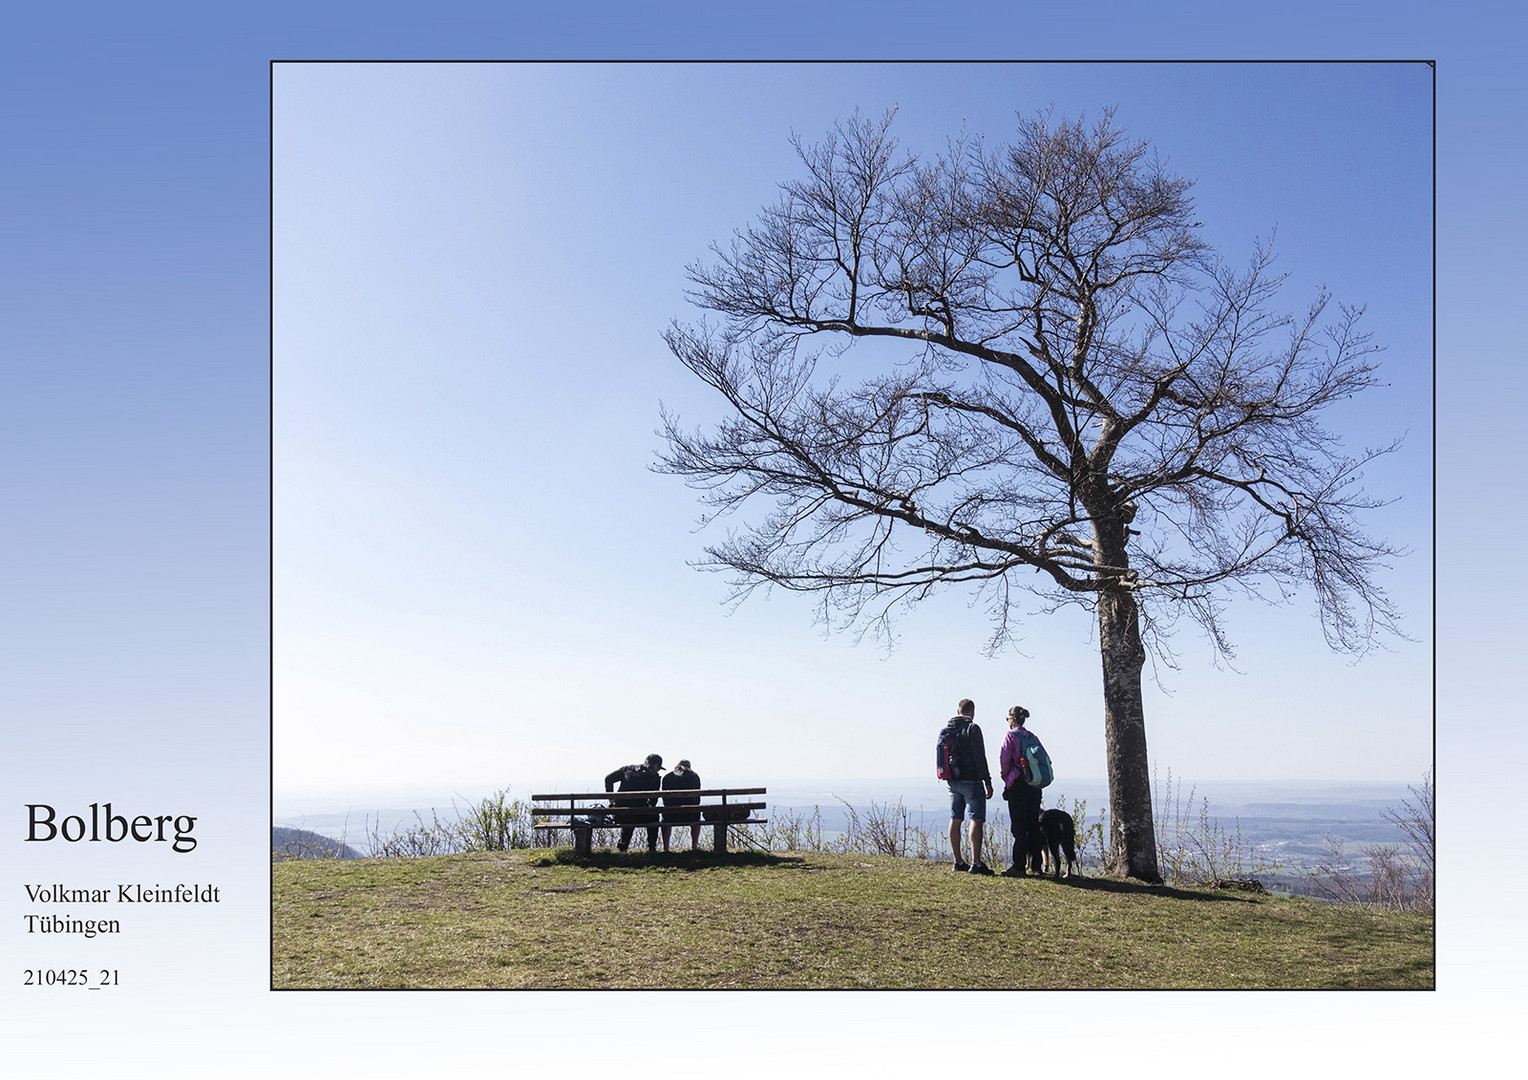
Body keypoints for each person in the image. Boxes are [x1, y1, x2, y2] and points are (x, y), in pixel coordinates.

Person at [940, 699, 995, 875]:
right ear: (972, 712)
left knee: (955, 818)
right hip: (971, 780)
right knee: (975, 819)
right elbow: (980, 757)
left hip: (952, 780)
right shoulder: (973, 728)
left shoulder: (948, 729)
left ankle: (958, 862)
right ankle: (976, 863)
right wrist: (987, 781)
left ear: (958, 711)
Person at [999, 705, 1044, 877]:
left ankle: (1018, 866)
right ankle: (1037, 865)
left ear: (1012, 719)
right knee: (1033, 825)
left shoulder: (1010, 737)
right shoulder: (1033, 737)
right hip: (1034, 785)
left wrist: (1006, 779)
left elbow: (1004, 762)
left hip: (1017, 785)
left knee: (1018, 827)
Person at [604, 754, 663, 852]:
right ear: (656, 765)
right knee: (653, 815)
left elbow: (608, 779)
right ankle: (652, 848)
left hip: (620, 814)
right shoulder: (654, 776)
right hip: (639, 815)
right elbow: (653, 801)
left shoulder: (627, 769)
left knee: (629, 813)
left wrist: (611, 801)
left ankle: (623, 845)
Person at [660, 758, 703, 852]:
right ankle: (694, 847)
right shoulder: (694, 776)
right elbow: (697, 799)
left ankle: (665, 848)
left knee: (665, 818)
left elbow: (665, 799)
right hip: (691, 815)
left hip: (671, 815)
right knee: (696, 815)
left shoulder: (667, 777)